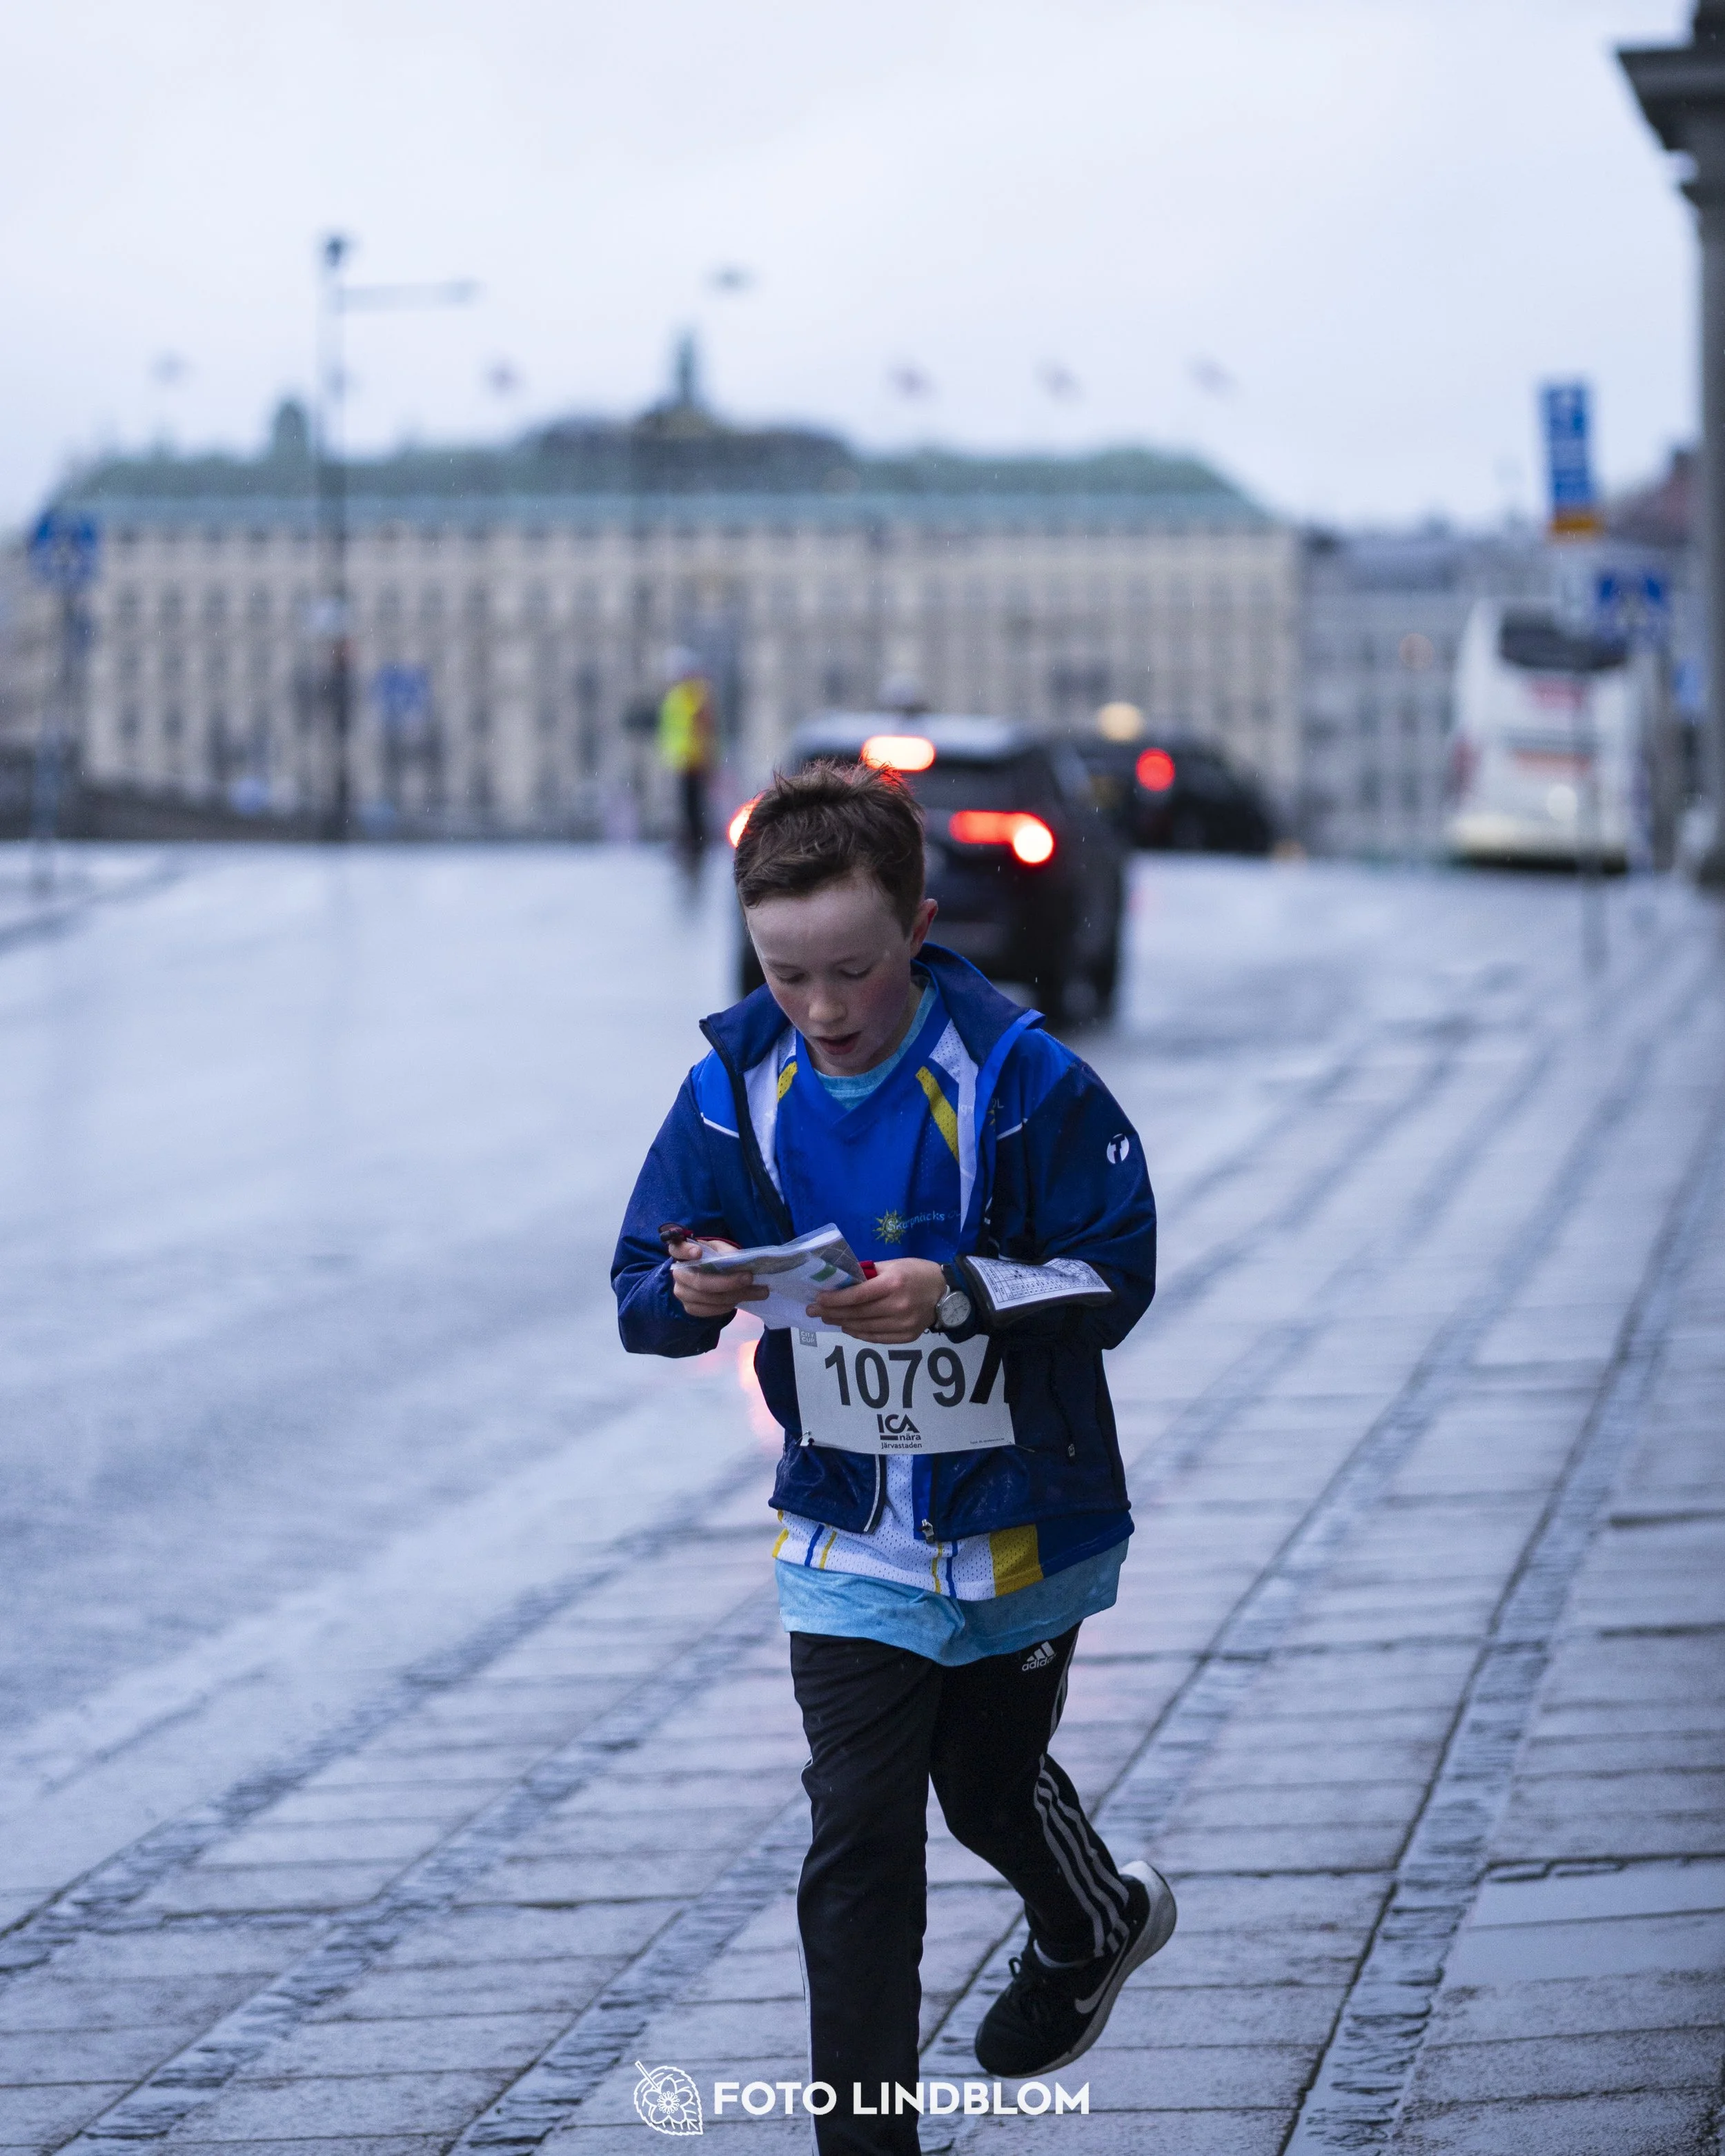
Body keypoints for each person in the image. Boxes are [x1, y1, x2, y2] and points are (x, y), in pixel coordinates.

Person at [612, 761, 1173, 2155]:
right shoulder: (731, 1084)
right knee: (856, 1839)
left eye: (851, 970)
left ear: (918, 926)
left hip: (1021, 1518)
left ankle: (1088, 1918)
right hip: (844, 1530)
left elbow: (1119, 1267)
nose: (819, 1007)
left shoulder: (1021, 1079)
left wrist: (960, 1290)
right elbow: (636, 1280)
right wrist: (684, 1296)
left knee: (985, 1786)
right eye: (785, 971)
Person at [658, 658, 716, 854]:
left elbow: (702, 726)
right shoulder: (684, 695)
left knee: (692, 802)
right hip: (684, 758)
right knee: (689, 802)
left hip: (692, 758)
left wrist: (704, 754)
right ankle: (692, 840)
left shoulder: (693, 695)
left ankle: (695, 841)